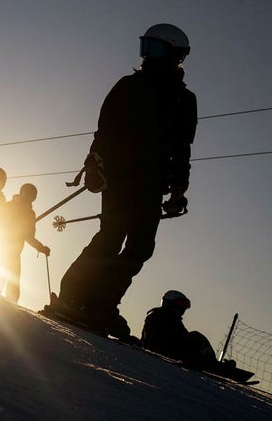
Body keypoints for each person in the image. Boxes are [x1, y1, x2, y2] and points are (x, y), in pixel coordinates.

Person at [52, 24, 197, 338]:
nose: (147, 56)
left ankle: (102, 305)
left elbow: (182, 148)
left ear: (175, 55)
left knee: (141, 246)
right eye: (145, 48)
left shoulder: (185, 101)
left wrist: (178, 189)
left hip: (153, 183)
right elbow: (104, 131)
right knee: (111, 236)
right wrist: (94, 162)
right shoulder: (130, 86)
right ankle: (73, 298)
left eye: (155, 49)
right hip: (120, 177)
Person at [0, 183, 50, 304]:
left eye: (32, 196)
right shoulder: (10, 206)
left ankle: (10, 303)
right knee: (2, 274)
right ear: (22, 192)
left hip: (13, 250)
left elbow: (29, 236)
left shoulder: (29, 213)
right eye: (28, 194)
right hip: (3, 246)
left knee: (12, 278)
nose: (29, 198)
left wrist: (41, 247)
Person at [141, 290, 218, 368]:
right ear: (169, 303)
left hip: (171, 350)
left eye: (183, 305)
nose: (182, 308)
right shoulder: (159, 316)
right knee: (196, 336)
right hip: (165, 350)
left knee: (196, 337)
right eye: (180, 303)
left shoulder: (173, 319)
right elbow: (160, 339)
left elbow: (182, 336)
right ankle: (212, 364)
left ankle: (210, 362)